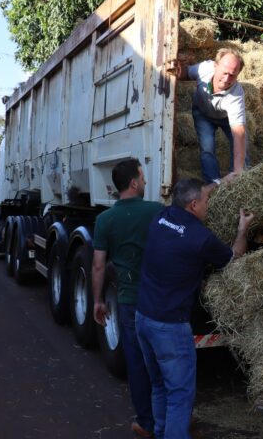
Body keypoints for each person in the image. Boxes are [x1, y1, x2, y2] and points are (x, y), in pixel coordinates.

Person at [135, 178, 254, 439]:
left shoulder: (160, 217)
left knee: (158, 385)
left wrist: (218, 182)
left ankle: (160, 432)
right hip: (170, 327)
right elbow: (234, 259)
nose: (208, 205)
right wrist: (242, 229)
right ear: (193, 205)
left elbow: (192, 192)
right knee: (180, 395)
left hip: (143, 318)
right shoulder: (200, 238)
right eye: (206, 201)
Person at [92, 158, 163, 438]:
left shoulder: (104, 220)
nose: (145, 182)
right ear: (134, 183)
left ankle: (146, 421)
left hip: (128, 299)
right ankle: (170, 417)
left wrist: (98, 300)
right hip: (157, 297)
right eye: (143, 178)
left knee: (136, 361)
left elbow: (98, 265)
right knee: (162, 359)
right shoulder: (156, 211)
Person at [177, 48, 248, 184]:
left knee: (241, 148)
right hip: (202, 113)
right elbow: (185, 73)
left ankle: (239, 183)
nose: (227, 79)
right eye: (225, 72)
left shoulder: (236, 95)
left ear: (238, 74)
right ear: (215, 66)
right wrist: (178, 69)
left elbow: (239, 132)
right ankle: (212, 185)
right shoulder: (204, 68)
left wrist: (238, 170)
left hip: (225, 118)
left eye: (232, 75)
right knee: (207, 148)